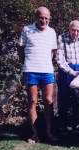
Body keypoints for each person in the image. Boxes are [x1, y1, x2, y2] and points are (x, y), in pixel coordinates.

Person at [17, 6, 57, 143]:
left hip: (46, 70)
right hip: (31, 70)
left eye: (46, 18)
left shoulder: (52, 32)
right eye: (41, 17)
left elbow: (52, 52)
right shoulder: (26, 30)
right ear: (36, 17)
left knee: (48, 100)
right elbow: (21, 50)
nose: (44, 20)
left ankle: (48, 132)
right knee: (32, 101)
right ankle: (34, 133)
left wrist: (44, 62)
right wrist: (28, 64)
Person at [57, 20, 79, 135]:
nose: (75, 33)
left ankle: (78, 124)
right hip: (66, 71)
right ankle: (63, 126)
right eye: (73, 30)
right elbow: (60, 60)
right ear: (69, 29)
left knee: (78, 98)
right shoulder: (61, 38)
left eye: (78, 31)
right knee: (64, 99)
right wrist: (72, 72)